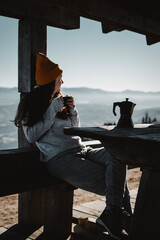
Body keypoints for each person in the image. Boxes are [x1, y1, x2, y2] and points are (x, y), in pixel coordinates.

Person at [14, 53, 132, 240]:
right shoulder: (31, 103)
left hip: (81, 149)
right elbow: (31, 135)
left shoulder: (58, 99)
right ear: (50, 81)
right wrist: (53, 109)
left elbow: (74, 129)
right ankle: (123, 220)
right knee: (114, 181)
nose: (62, 82)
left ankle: (116, 217)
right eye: (60, 79)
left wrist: (72, 111)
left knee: (117, 156)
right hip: (59, 159)